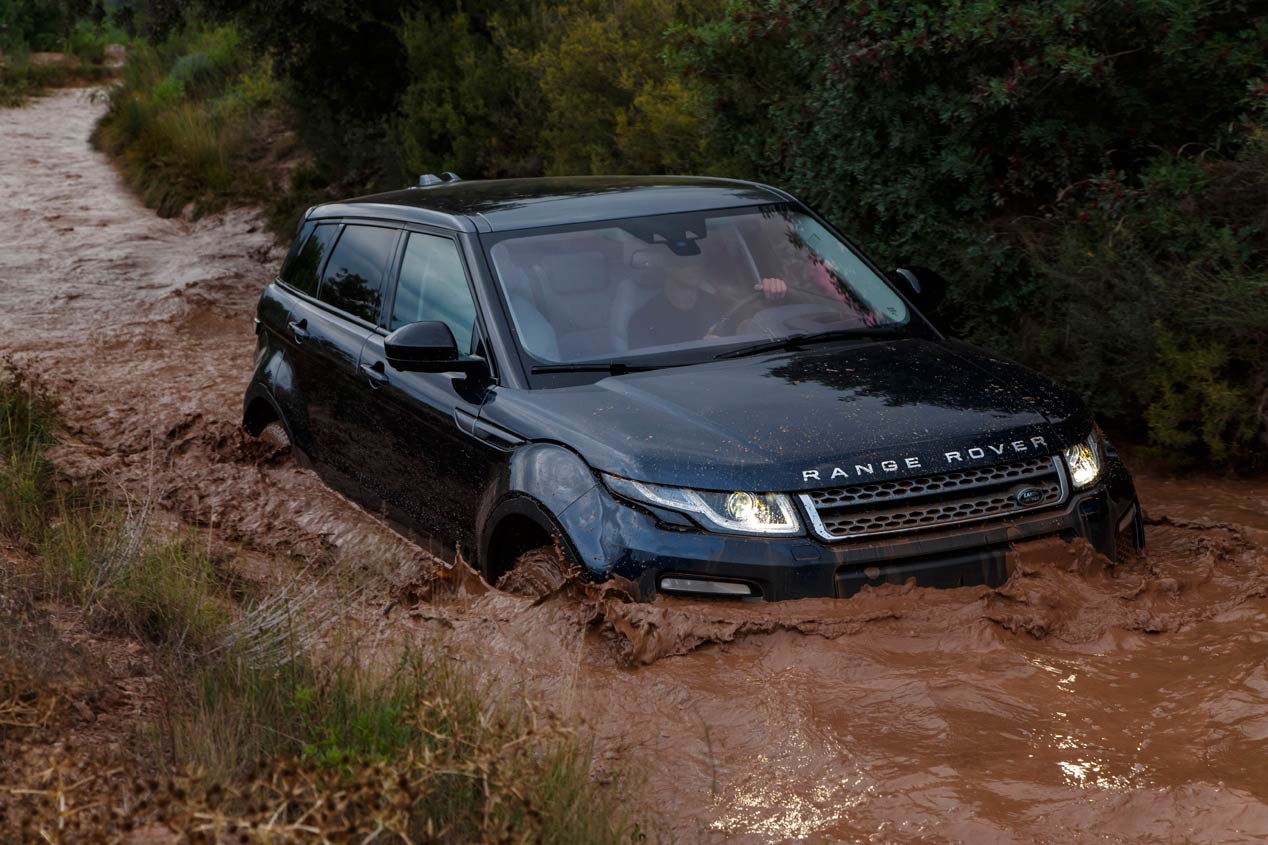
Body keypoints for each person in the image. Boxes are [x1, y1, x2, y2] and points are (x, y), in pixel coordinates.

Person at [627, 265, 787, 350]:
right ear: (667, 266)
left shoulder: (720, 302)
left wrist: (773, 297)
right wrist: (703, 350)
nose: (695, 264)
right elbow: (644, 373)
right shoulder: (643, 318)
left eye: (698, 258)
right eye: (685, 259)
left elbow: (746, 328)